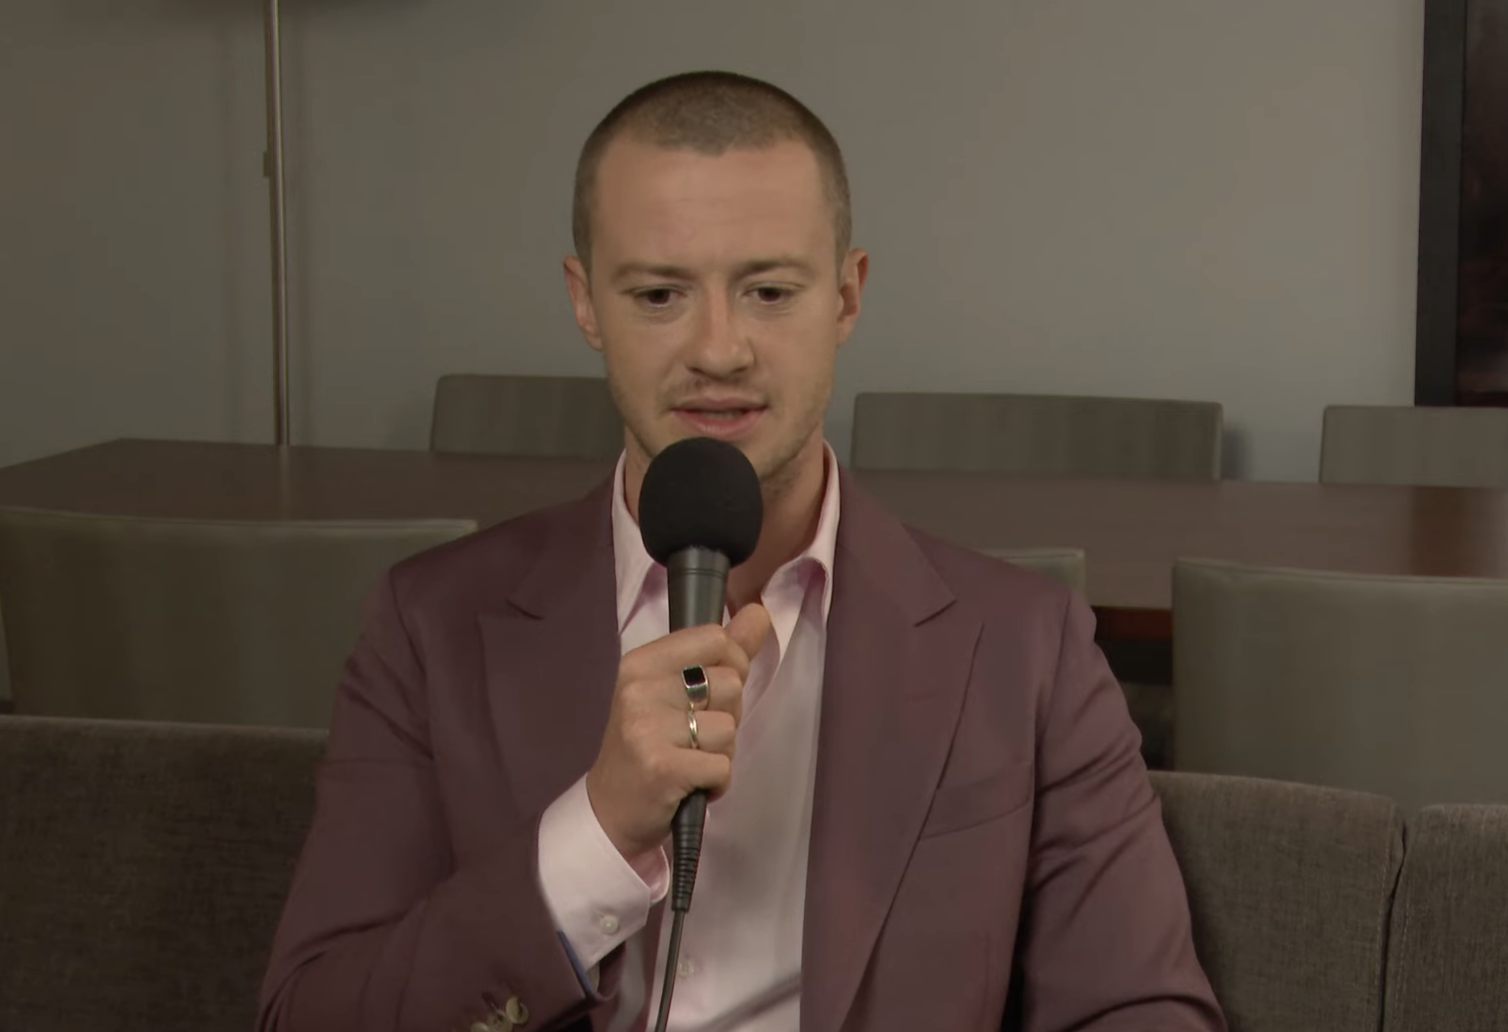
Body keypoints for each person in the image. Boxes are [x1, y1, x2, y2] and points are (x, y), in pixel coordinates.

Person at [258, 71, 1225, 1032]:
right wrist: (591, 832)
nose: (719, 349)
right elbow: (309, 1014)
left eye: (768, 289)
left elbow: (1146, 1011)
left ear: (847, 296)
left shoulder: (1028, 648)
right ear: (584, 300)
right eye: (659, 293)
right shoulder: (428, 627)